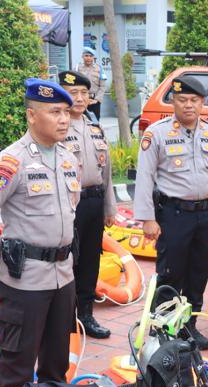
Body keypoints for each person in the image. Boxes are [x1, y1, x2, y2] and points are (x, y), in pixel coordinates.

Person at [0, 78, 80, 387]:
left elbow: (70, 213)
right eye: (54, 112)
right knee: (16, 370)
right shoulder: (12, 161)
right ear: (32, 115)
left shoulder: (68, 160)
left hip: (62, 278)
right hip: (25, 282)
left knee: (56, 369)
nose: (63, 119)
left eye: (66, 112)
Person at [134, 75, 208, 351]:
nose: (188, 105)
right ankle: (161, 329)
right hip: (173, 215)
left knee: (199, 271)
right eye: (182, 100)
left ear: (202, 103)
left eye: (194, 100)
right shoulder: (157, 133)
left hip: (206, 215)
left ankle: (189, 327)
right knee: (170, 273)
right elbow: (145, 176)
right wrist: (148, 219)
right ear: (173, 102)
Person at [58, 70, 117, 340]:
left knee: (91, 262)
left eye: (84, 93)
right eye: (73, 93)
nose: (80, 98)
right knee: (69, 260)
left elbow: (106, 172)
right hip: (68, 204)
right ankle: (65, 318)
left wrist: (110, 207)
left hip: (93, 202)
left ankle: (86, 315)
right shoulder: (57, 127)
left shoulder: (95, 128)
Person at [75, 48, 106, 121]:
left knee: (95, 122)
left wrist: (97, 99)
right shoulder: (77, 69)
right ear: (82, 57)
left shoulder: (99, 69)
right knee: (80, 120)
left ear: (93, 57)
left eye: (90, 56)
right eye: (86, 55)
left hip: (94, 101)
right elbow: (74, 85)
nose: (88, 58)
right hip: (81, 100)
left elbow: (103, 86)